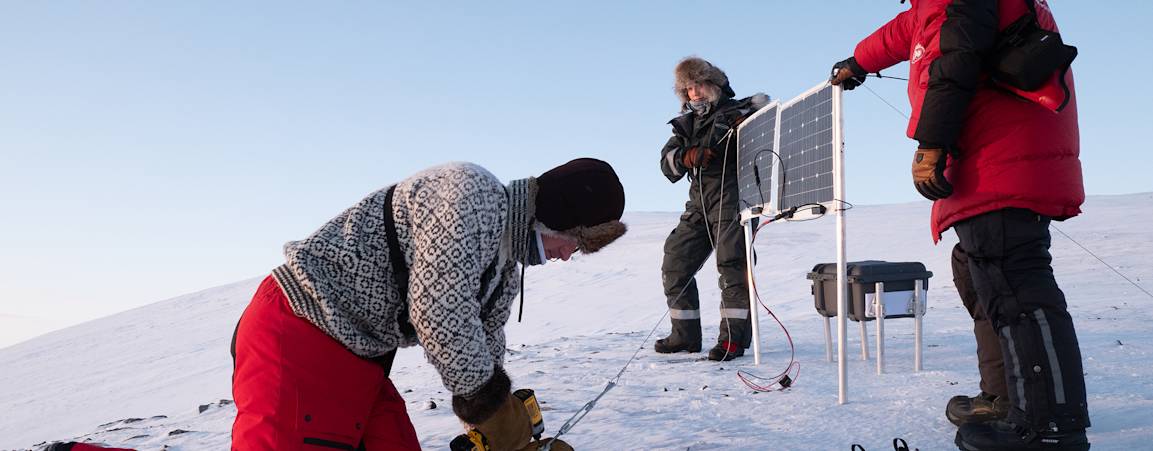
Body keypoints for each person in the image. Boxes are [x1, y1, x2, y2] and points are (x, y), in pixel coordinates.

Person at [829, 1, 1090, 450]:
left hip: (1001, 156)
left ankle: (1050, 425)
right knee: (977, 271)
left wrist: (932, 141)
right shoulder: (933, 6)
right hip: (995, 157)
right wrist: (857, 62)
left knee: (1012, 282)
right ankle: (1009, 398)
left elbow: (956, 59)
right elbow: (904, 32)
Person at [231, 159, 626, 450]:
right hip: (299, 330)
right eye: (575, 243)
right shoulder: (470, 195)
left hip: (360, 356)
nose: (567, 256)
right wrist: (493, 412)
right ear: (558, 220)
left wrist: (503, 429)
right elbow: (439, 311)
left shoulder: (504, 266)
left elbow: (486, 338)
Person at [654, 57, 769, 362]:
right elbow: (667, 163)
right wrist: (687, 156)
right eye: (689, 88)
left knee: (733, 265)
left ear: (715, 85)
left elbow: (766, 123)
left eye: (700, 84)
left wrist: (749, 122)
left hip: (734, 197)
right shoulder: (686, 124)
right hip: (699, 203)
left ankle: (733, 340)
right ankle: (685, 336)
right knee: (675, 261)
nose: (696, 92)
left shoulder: (739, 111)